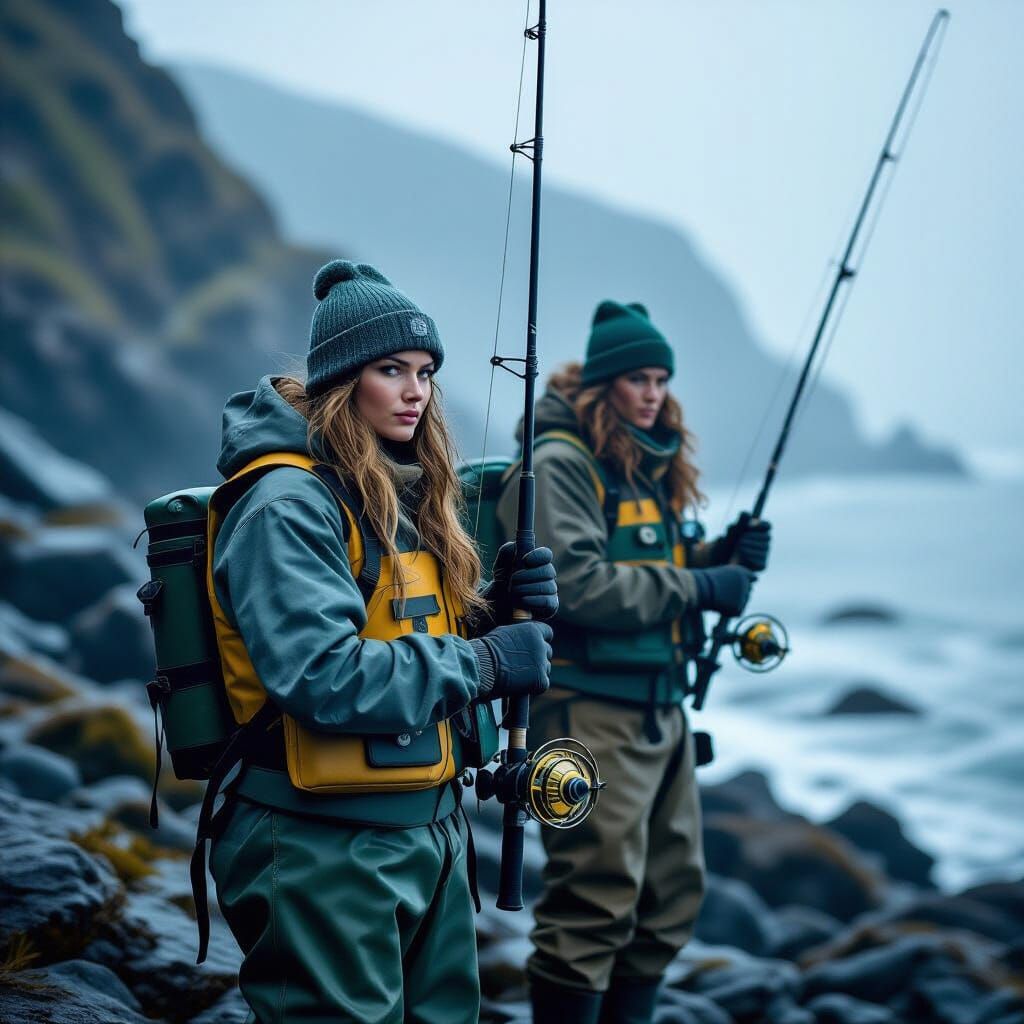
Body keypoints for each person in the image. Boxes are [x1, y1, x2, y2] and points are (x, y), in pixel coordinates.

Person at [207, 260, 558, 1024]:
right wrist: (489, 662)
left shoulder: (398, 488)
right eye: (390, 368)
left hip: (426, 832)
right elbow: (323, 675)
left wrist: (491, 614)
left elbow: (398, 629)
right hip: (318, 847)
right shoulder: (285, 505)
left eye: (426, 371)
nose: (415, 391)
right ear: (341, 379)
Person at [497, 300, 772, 1024]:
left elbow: (651, 560)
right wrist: (702, 585)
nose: (653, 393)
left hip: (661, 708)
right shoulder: (559, 464)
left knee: (668, 901)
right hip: (586, 709)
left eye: (661, 378)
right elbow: (578, 586)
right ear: (602, 384)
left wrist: (720, 556)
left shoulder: (645, 462)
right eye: (637, 379)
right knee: (592, 901)